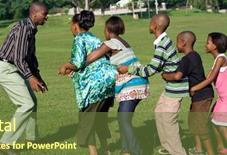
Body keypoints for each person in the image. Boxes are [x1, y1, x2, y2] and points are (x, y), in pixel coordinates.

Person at [118, 14, 189, 155]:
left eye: (150, 22)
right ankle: (167, 147)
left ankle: (178, 151)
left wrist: (129, 69)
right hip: (171, 86)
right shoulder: (162, 41)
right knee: (159, 112)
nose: (149, 24)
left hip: (175, 88)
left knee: (168, 122)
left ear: (155, 26)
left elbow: (150, 70)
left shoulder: (162, 44)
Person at [79, 16, 149, 155]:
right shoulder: (123, 42)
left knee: (124, 119)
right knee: (123, 118)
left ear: (108, 29)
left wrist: (74, 65)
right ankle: (125, 151)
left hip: (131, 84)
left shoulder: (111, 43)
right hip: (139, 82)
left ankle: (136, 152)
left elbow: (91, 58)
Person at [58, 10, 117, 155]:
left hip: (94, 87)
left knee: (87, 120)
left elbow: (77, 63)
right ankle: (106, 149)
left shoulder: (79, 39)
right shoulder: (94, 38)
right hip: (108, 84)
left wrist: (65, 66)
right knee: (100, 119)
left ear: (75, 25)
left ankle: (93, 152)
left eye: (70, 25)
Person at [0, 1, 48, 149]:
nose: (46, 17)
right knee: (26, 104)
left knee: (33, 102)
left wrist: (37, 77)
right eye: (44, 14)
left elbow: (29, 58)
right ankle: (5, 144)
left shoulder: (31, 28)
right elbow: (18, 58)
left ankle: (31, 140)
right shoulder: (24, 27)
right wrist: (30, 78)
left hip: (15, 69)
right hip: (6, 69)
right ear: (34, 13)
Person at [162, 31, 215, 155]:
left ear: (183, 42)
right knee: (192, 122)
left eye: (177, 42)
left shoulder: (186, 59)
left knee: (200, 126)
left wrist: (165, 75)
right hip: (199, 96)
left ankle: (210, 152)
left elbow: (177, 76)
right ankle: (198, 149)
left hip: (202, 96)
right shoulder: (195, 55)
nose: (176, 45)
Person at [191, 32, 227, 155]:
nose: (205, 45)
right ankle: (221, 148)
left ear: (215, 45)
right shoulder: (217, 59)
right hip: (221, 99)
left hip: (226, 99)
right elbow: (207, 77)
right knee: (212, 119)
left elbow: (210, 79)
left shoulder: (221, 58)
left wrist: (194, 88)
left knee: (220, 123)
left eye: (208, 42)